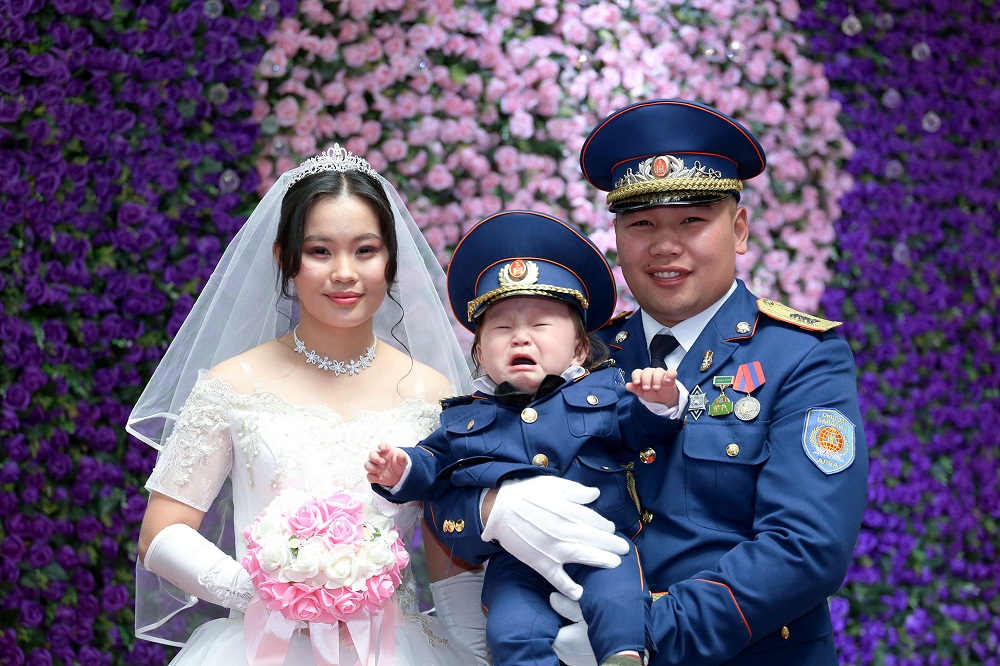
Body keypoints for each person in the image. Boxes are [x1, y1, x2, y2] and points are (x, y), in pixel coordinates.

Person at [426, 100, 869, 664]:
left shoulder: (800, 356)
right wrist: (492, 507)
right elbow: (460, 476)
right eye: (641, 224)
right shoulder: (578, 356)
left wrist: (643, 634)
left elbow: (806, 548)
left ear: (738, 230)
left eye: (691, 221)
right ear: (617, 235)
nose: (664, 246)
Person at [127, 145, 490, 665]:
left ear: (390, 259)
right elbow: (160, 533)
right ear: (285, 259)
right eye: (320, 251)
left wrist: (478, 654)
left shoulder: (432, 394)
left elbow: (449, 558)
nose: (344, 272)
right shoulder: (232, 385)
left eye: (365, 250)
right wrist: (270, 594)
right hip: (261, 647)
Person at [364, 210, 688, 666]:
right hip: (516, 561)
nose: (521, 338)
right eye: (502, 329)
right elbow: (434, 466)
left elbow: (640, 430)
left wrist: (660, 402)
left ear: (579, 349)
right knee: (511, 630)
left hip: (600, 543)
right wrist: (402, 470)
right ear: (480, 353)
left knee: (620, 608)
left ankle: (624, 657)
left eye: (540, 325)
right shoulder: (465, 418)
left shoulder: (604, 390)